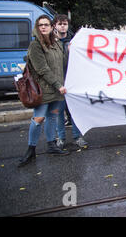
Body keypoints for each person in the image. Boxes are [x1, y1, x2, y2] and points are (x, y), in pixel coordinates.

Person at [18, 15, 69, 167]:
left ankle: (51, 145)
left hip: (57, 90)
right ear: (37, 27)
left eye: (46, 24)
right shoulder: (35, 45)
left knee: (52, 117)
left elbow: (63, 64)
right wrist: (58, 84)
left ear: (51, 26)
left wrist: (70, 51)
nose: (44, 27)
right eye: (41, 25)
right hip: (43, 90)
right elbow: (42, 69)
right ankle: (31, 149)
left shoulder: (57, 44)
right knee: (38, 119)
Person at [53, 14, 88, 149]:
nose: (63, 26)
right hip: (57, 83)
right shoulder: (51, 42)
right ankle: (60, 138)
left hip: (72, 82)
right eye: (60, 24)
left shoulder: (74, 42)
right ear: (55, 25)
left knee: (75, 112)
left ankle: (77, 137)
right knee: (59, 113)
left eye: (65, 24)